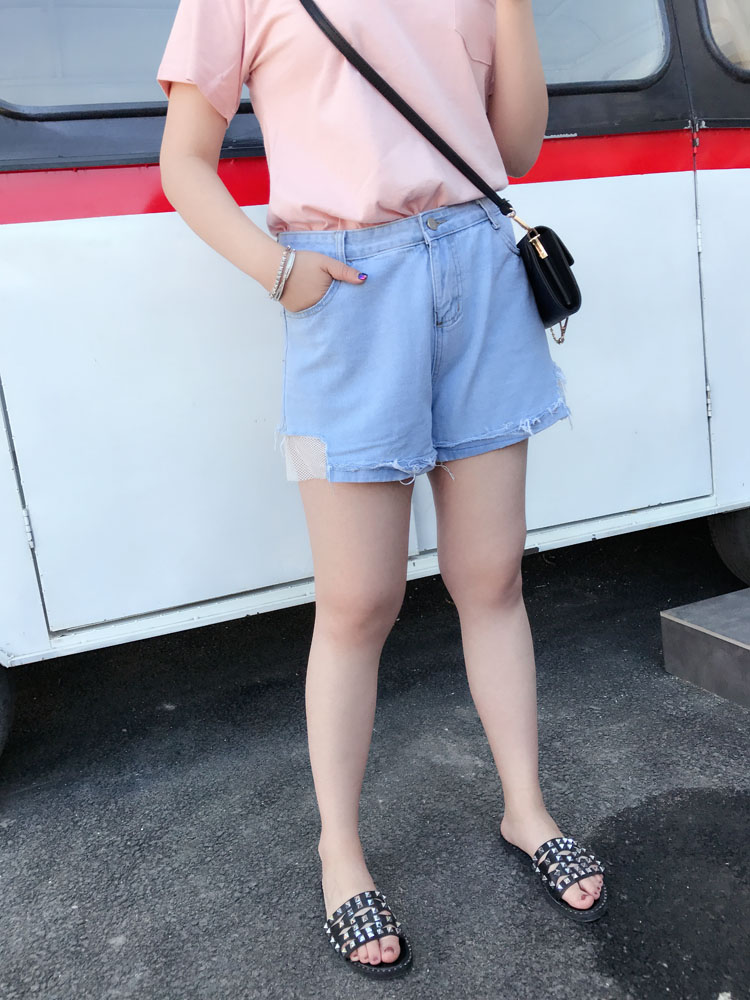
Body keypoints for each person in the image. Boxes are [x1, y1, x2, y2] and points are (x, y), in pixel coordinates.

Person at [156, 0, 606, 979]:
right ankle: (340, 850)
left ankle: (527, 808)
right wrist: (279, 270)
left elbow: (515, 149)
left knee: (492, 576)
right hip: (352, 291)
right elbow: (183, 159)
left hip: (480, 273)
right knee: (359, 601)